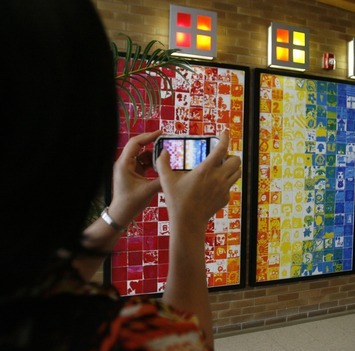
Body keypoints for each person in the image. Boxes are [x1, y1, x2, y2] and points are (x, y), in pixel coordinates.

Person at [0, 0, 241, 350]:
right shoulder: (108, 335)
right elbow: (185, 343)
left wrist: (119, 211)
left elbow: (42, 286)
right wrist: (187, 224)